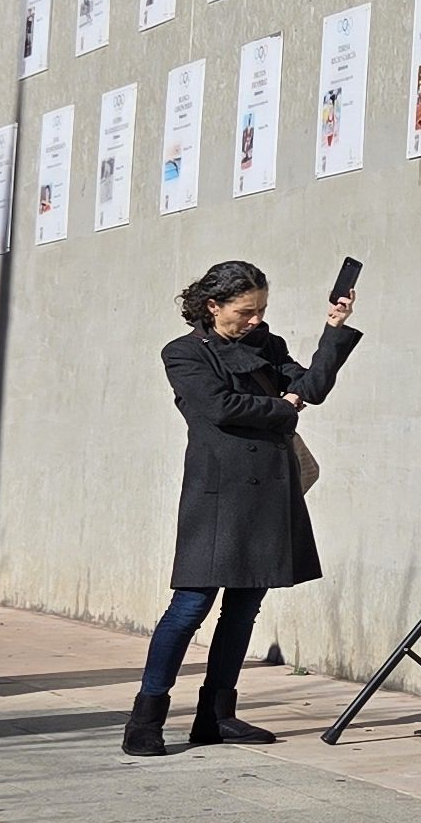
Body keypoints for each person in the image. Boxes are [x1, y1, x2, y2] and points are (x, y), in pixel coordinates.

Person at [134, 261, 360, 758]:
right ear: (213, 306)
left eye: (260, 310)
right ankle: (146, 717)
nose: (254, 320)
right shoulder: (185, 353)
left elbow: (312, 387)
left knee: (244, 609)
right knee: (190, 607)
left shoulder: (268, 345)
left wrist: (333, 330)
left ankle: (216, 716)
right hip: (217, 497)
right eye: (245, 311)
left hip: (267, 493)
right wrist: (285, 406)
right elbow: (220, 408)